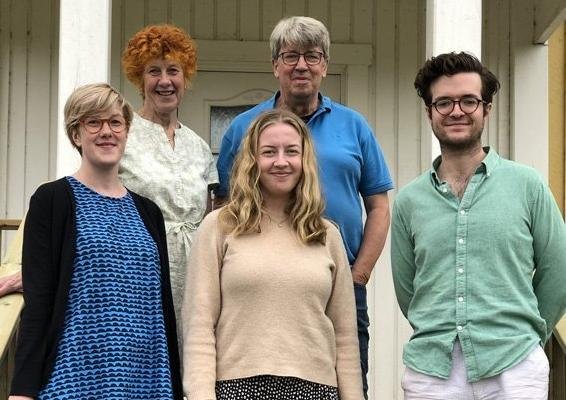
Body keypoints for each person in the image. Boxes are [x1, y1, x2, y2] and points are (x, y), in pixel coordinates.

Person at [215, 16, 393, 396]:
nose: (301, 66)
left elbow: (379, 207)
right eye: (290, 56)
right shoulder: (243, 128)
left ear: (325, 66)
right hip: (259, 286)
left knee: (348, 384)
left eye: (312, 56)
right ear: (275, 65)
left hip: (337, 283)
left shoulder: (354, 126)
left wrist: (357, 275)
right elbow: (226, 208)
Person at [391, 52, 566, 399]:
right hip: (431, 370)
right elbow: (407, 290)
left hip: (514, 365)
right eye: (443, 103)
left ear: (486, 108)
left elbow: (558, 271)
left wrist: (527, 335)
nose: (456, 111)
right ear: (429, 112)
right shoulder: (409, 201)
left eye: (469, 101)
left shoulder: (527, 185)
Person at [8, 83, 182, 399]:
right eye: (94, 122)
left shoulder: (148, 212)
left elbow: (163, 307)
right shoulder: (52, 200)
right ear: (76, 134)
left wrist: (175, 383)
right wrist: (23, 390)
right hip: (75, 378)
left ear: (126, 132)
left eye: (115, 122)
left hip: (147, 380)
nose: (107, 131)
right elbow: (39, 302)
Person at [183, 109, 363, 400]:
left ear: (304, 160)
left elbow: (345, 337)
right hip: (236, 388)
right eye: (269, 152)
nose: (281, 161)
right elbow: (200, 326)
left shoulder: (326, 234)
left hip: (316, 390)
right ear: (252, 160)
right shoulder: (219, 228)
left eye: (291, 151)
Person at [119, 24, 219, 345]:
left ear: (185, 78)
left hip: (193, 276)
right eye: (154, 71)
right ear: (139, 79)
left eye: (173, 70)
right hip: (138, 271)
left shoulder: (199, 146)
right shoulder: (122, 137)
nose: (165, 81)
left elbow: (210, 216)